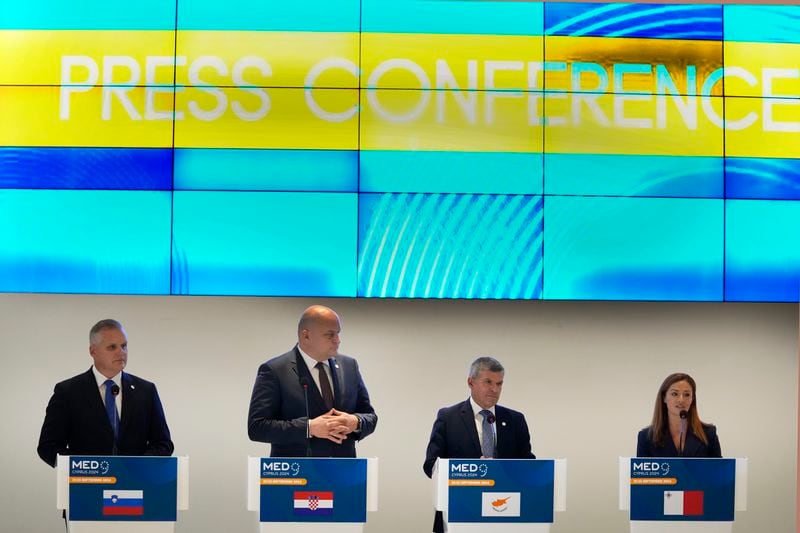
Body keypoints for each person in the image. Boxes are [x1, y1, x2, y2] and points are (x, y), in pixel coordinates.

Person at [37, 319, 174, 467]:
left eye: (124, 346)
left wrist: (140, 465)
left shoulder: (146, 391)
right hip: (87, 484)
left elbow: (163, 443)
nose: (121, 352)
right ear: (93, 351)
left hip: (136, 483)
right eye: (112, 347)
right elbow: (48, 446)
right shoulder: (68, 392)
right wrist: (84, 467)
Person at [247, 305, 377, 457]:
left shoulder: (349, 366)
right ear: (306, 335)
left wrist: (355, 422)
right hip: (296, 475)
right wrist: (309, 428)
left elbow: (370, 416)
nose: (338, 340)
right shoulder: (275, 370)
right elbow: (257, 427)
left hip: (343, 474)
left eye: (338, 333)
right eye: (330, 335)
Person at [423, 356, 535, 533]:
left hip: (505, 515)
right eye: (488, 382)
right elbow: (431, 465)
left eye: (499, 384)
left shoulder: (515, 420)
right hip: (458, 514)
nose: (494, 389)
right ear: (470, 382)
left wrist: (500, 470)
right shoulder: (448, 417)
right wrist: (472, 471)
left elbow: (528, 465)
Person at [637, 372, 721, 457]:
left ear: (692, 399)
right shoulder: (645, 437)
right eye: (675, 394)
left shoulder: (709, 434)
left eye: (686, 394)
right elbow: (641, 470)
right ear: (664, 398)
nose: (681, 400)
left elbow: (720, 469)